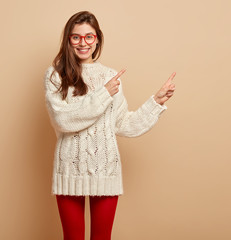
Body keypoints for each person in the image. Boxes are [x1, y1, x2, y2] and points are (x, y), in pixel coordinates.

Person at [43, 10, 176, 240]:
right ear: (67, 40)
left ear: (97, 39)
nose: (82, 43)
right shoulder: (56, 75)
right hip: (69, 172)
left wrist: (156, 102)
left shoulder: (111, 76)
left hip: (106, 171)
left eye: (88, 37)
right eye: (76, 37)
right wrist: (104, 94)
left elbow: (124, 124)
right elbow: (63, 120)